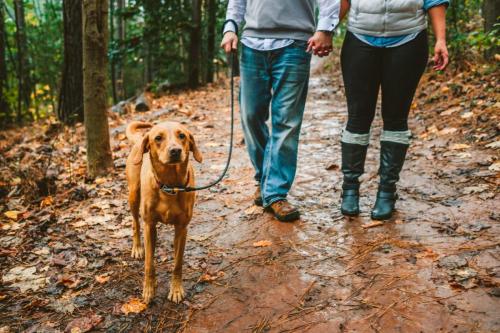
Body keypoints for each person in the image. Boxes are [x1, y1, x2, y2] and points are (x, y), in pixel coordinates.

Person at [221, 0, 340, 222]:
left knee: (286, 120)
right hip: (252, 44)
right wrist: (230, 27)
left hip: (295, 44)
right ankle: (264, 178)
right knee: (250, 115)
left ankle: (275, 192)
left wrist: (325, 29)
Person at [338, 0, 450, 220]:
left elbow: (435, 1)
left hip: (408, 39)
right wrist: (325, 31)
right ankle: (350, 189)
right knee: (358, 117)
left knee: (396, 118)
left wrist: (441, 40)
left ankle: (387, 192)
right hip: (360, 38)